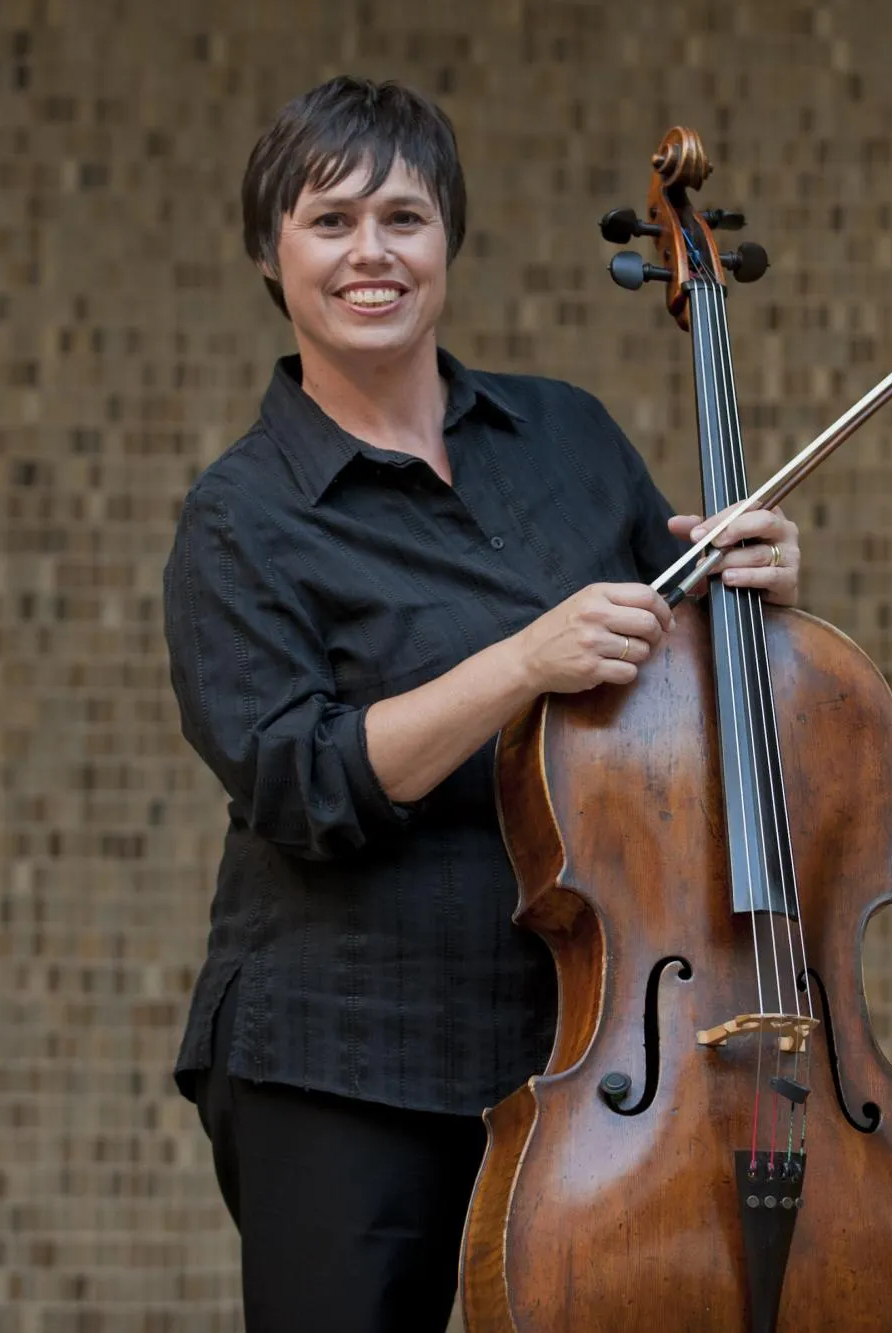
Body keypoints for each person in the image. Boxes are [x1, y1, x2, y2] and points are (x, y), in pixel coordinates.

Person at [162, 76, 802, 1331]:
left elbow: (684, 697)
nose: (371, 254)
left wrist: (756, 591)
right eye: (329, 221)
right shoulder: (241, 519)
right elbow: (298, 779)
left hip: (584, 1038)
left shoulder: (564, 436)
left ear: (446, 238)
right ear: (266, 254)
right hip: (343, 1050)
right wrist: (520, 661)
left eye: (404, 217)